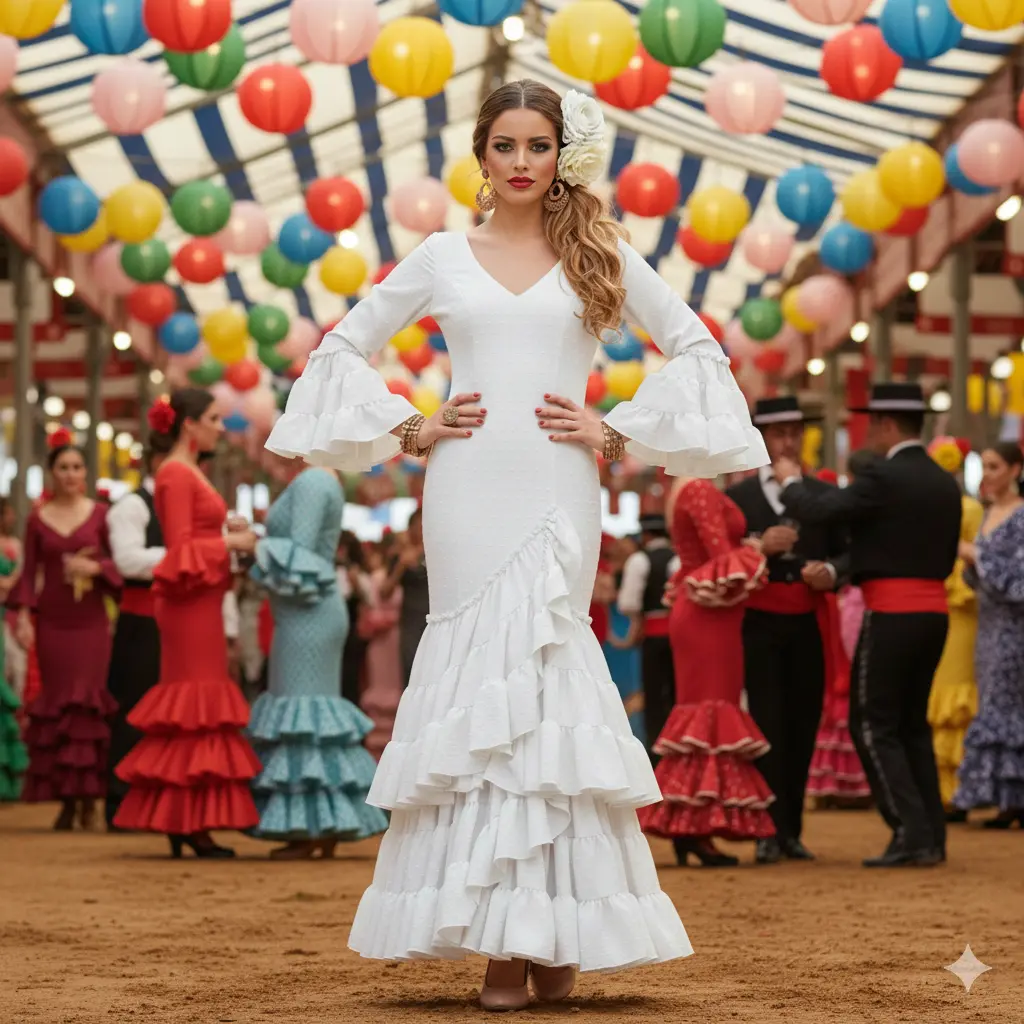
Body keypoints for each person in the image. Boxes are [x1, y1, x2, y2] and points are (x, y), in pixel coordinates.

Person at [267, 79, 766, 1008]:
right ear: (482, 155)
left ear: (559, 154)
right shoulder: (441, 254)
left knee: (546, 681)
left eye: (539, 145)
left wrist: (615, 432)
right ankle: (503, 937)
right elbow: (339, 347)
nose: (523, 161)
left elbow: (697, 346)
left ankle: (555, 931)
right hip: (463, 492)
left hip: (556, 490)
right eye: (506, 145)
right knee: (476, 689)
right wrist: (409, 428)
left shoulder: (600, 251)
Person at [775, 382, 961, 867]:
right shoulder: (943, 481)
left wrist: (791, 481)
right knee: (910, 725)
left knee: (873, 724)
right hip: (933, 613)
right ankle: (931, 835)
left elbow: (822, 509)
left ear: (885, 425)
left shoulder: (884, 474)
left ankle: (910, 831)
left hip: (892, 611)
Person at [113, 389, 262, 858]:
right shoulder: (176, 473)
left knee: (197, 704)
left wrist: (225, 538)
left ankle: (188, 820)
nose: (222, 427)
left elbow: (190, 544)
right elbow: (179, 550)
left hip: (199, 599)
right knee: (193, 704)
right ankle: (189, 822)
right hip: (189, 603)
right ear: (188, 424)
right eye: (215, 418)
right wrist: (234, 544)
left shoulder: (181, 470)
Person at [727, 396, 849, 863]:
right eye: (779, 433)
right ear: (760, 437)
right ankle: (765, 829)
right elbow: (714, 558)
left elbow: (847, 551)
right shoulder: (738, 498)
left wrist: (832, 572)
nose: (789, 441)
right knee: (764, 726)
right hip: (758, 623)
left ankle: (791, 829)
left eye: (795, 432)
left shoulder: (822, 491)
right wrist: (758, 548)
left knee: (802, 726)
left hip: (808, 620)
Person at [248, 466, 388, 858]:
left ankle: (311, 827)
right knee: (308, 713)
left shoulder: (314, 480)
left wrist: (251, 545)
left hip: (307, 613)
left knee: (303, 714)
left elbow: (302, 552)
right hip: (306, 610)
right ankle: (319, 825)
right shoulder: (321, 478)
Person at [637, 475, 776, 866]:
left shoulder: (691, 486)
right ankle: (695, 827)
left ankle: (693, 826)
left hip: (709, 610)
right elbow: (719, 554)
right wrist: (759, 548)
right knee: (708, 711)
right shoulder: (698, 487)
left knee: (708, 712)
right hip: (707, 614)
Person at [10, 436, 122, 829]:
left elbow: (119, 565)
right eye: (64, 468)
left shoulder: (102, 515)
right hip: (53, 622)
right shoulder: (37, 519)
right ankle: (66, 799)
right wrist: (23, 615)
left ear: (86, 473)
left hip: (91, 621)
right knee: (57, 704)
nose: (71, 474)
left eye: (77, 467)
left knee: (87, 704)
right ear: (51, 473)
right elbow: (27, 573)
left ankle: (90, 798)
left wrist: (97, 570)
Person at [103, 417, 175, 828]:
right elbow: (127, 560)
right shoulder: (133, 505)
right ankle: (120, 801)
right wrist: (184, 555)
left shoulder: (176, 502)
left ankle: (153, 801)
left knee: (166, 714)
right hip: (142, 620)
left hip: (175, 621)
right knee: (134, 710)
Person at [955, 442, 1024, 827]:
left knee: (1010, 708)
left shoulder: (1020, 516)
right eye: (984, 466)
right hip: (990, 623)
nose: (988, 474)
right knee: (996, 705)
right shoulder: (987, 514)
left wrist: (977, 557)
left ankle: (1014, 799)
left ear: (1015, 470)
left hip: (1016, 627)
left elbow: (1020, 582)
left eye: (995, 466)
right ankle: (1006, 797)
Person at [924, 437, 982, 817]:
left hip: (958, 605)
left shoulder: (967, 508)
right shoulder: (962, 506)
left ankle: (957, 788)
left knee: (953, 693)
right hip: (944, 603)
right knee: (945, 691)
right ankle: (949, 788)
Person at [617, 515, 677, 759]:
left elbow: (629, 602)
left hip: (652, 634)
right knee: (675, 693)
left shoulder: (640, 560)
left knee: (652, 694)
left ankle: (656, 752)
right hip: (677, 635)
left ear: (646, 536)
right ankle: (675, 747)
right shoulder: (677, 559)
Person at [379, 507, 429, 690]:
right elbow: (384, 593)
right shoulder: (400, 557)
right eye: (418, 524)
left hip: (434, 617)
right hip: (410, 620)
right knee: (411, 667)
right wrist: (401, 566)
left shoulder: (438, 554)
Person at [0, 502, 26, 801]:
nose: (12, 517)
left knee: (12, 680)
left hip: (6, 622)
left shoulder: (14, 545)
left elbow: (21, 580)